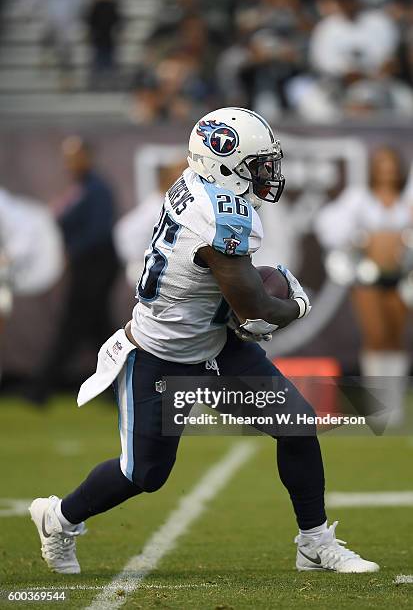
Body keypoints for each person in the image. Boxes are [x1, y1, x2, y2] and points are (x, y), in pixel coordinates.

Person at [29, 108, 378, 575]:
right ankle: (58, 519)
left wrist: (243, 304)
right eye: (259, 165)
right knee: (144, 474)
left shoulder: (197, 183)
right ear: (226, 163)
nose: (269, 175)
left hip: (212, 345)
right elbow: (254, 309)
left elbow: (227, 290)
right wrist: (295, 305)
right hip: (161, 354)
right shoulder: (222, 216)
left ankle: (314, 542)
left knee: (296, 425)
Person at [315, 146, 413, 425]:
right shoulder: (359, 198)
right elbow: (328, 225)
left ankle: (394, 407)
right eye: (382, 164)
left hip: (401, 276)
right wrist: (359, 240)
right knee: (375, 338)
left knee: (396, 339)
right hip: (368, 276)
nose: (387, 170)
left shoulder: (406, 199)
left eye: (391, 164)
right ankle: (377, 405)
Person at [29, 136, 119, 404]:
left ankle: (40, 388)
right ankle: (114, 389)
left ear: (87, 157)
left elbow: (97, 233)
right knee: (97, 329)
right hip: (88, 266)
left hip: (96, 266)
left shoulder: (97, 189)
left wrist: (70, 249)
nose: (69, 163)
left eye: (74, 157)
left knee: (75, 326)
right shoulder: (81, 189)